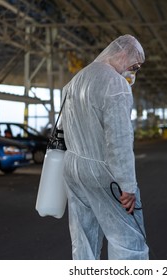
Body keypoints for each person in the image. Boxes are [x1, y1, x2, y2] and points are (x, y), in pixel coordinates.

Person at [61, 34, 149, 260]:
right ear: (121, 54)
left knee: (83, 239)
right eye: (134, 65)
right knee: (128, 240)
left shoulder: (75, 81)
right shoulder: (115, 84)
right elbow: (119, 139)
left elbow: (65, 127)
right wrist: (127, 185)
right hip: (102, 171)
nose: (134, 72)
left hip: (73, 167)